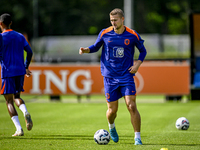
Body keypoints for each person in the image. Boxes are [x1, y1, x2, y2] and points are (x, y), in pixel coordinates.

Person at [79, 8, 147, 145]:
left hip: (127, 75)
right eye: (111, 20)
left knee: (131, 105)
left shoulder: (132, 35)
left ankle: (137, 138)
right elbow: (95, 47)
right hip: (109, 77)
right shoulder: (105, 33)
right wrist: (86, 50)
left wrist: (137, 65)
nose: (113, 23)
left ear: (122, 19)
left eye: (115, 20)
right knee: (112, 110)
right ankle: (111, 127)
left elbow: (143, 51)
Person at [0, 13, 33, 136]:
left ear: (0, 24)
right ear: (11, 23)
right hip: (20, 71)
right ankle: (25, 112)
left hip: (7, 72)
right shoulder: (20, 36)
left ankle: (19, 129)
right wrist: (26, 67)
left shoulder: (1, 37)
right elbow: (29, 51)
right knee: (17, 96)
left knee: (9, 101)